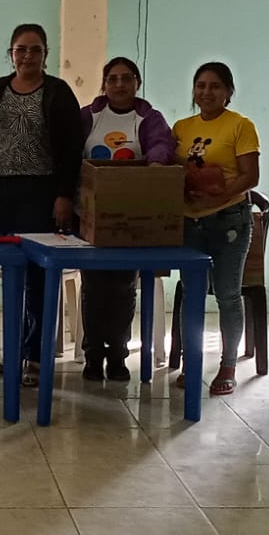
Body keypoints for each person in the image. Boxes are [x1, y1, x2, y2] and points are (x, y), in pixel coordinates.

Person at [0, 23, 83, 387]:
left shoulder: (58, 92)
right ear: (11, 53)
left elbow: (71, 149)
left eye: (35, 49)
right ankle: (14, 351)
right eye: (20, 49)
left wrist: (64, 195)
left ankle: (36, 357)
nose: (27, 56)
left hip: (41, 193)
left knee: (38, 276)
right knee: (10, 275)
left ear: (45, 54)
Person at [77, 56, 174, 381]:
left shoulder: (148, 118)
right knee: (93, 288)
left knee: (123, 288)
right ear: (104, 84)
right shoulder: (89, 116)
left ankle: (118, 355)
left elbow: (161, 144)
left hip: (131, 217)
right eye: (113, 79)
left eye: (126, 78)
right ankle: (93, 356)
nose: (119, 84)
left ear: (137, 83)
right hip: (92, 217)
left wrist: (156, 165)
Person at [172, 61, 260, 396]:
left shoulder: (241, 126)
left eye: (215, 86)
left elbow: (250, 176)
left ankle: (228, 365)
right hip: (189, 222)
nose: (207, 92)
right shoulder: (181, 127)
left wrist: (218, 194)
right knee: (190, 293)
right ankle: (191, 362)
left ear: (228, 92)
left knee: (227, 294)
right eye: (201, 86)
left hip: (229, 220)